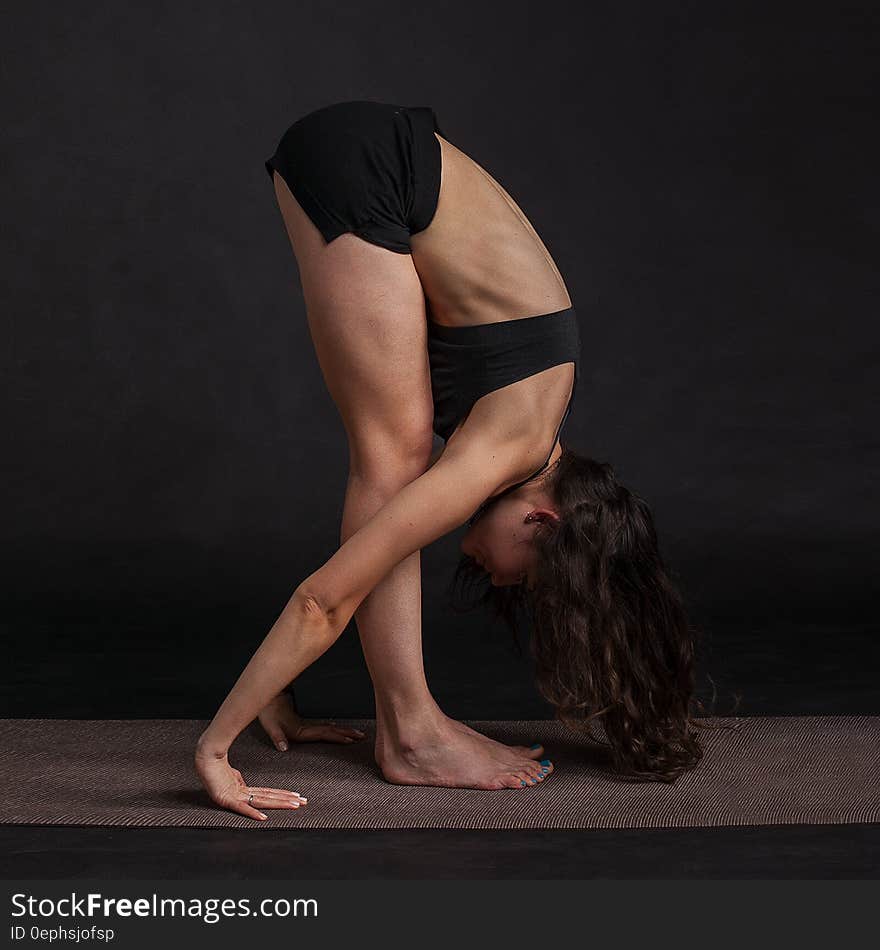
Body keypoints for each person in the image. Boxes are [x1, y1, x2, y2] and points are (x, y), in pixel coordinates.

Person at [194, 101, 705, 820]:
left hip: (381, 158)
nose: (499, 579)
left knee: (394, 468)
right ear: (542, 520)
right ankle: (410, 734)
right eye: (525, 575)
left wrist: (275, 689)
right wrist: (217, 748)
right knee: (390, 463)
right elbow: (324, 599)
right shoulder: (502, 450)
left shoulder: (533, 422)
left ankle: (409, 727)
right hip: (369, 164)